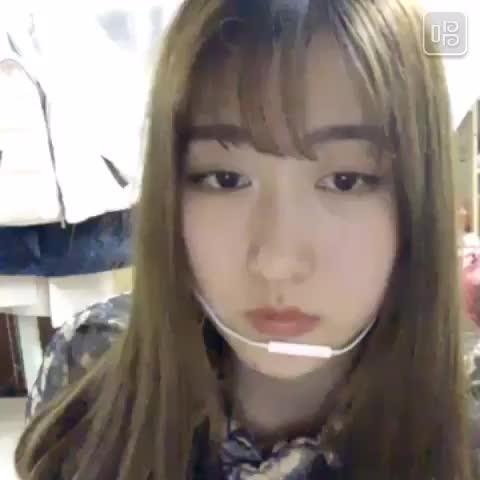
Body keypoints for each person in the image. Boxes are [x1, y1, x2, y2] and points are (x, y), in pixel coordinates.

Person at [14, 1, 477, 478]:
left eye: (345, 181)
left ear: (419, 200)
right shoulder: (87, 382)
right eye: (226, 179)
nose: (277, 261)